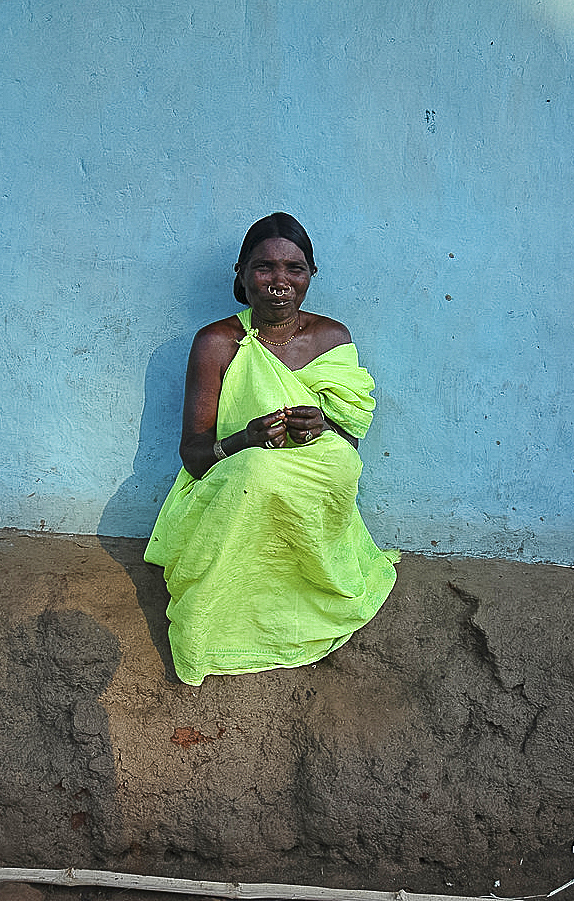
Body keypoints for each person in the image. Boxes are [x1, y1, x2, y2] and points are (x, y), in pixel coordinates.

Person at [144, 212, 399, 685]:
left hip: (313, 472)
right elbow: (194, 456)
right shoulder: (218, 342)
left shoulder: (332, 338)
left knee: (342, 464)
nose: (279, 281)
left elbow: (350, 438)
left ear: (310, 277)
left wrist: (322, 425)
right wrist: (246, 439)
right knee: (257, 474)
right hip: (235, 474)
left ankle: (312, 595)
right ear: (241, 273)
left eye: (294, 269)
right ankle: (230, 623)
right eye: (264, 268)